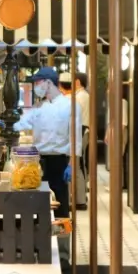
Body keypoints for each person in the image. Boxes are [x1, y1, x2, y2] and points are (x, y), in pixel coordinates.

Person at [14, 67, 81, 269]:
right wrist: (6, 123)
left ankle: (63, 254)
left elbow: (75, 136)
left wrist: (72, 164)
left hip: (60, 162)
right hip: (37, 161)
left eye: (37, 83)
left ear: (48, 83)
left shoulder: (71, 105)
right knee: (37, 205)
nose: (36, 87)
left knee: (61, 208)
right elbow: (22, 124)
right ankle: (37, 247)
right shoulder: (39, 107)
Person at [57, 73, 87, 210]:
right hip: (79, 131)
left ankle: (78, 200)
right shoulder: (78, 97)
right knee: (78, 165)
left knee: (75, 165)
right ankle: (79, 198)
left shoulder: (77, 98)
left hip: (78, 131)